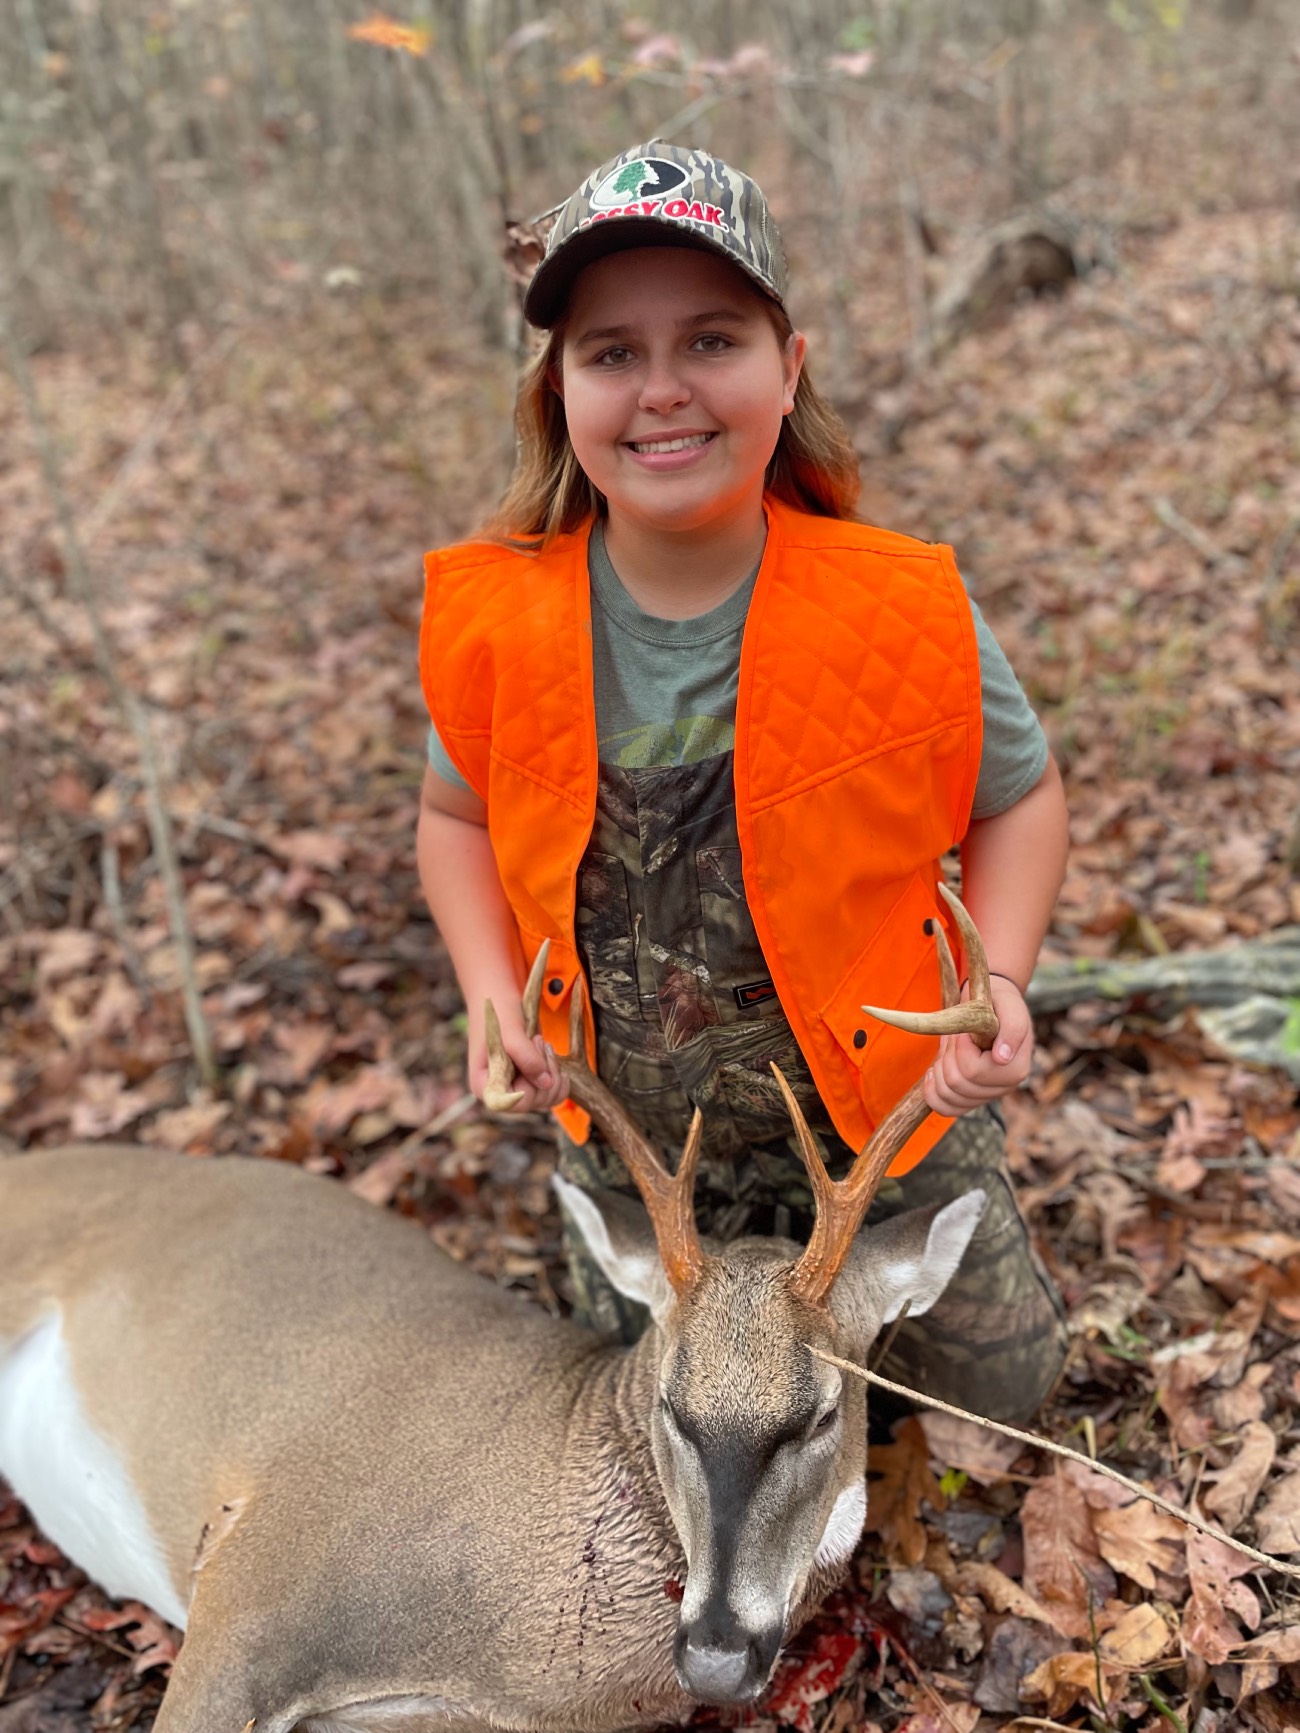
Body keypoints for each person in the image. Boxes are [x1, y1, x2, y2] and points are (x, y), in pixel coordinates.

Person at [416, 142, 1070, 1423]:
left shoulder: (898, 605)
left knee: (999, 1395)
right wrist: (490, 992)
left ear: (789, 364)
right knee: (632, 1417)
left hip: (883, 1121)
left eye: (711, 340)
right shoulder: (501, 622)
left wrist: (997, 982)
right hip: (642, 1147)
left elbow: (1020, 797)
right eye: (611, 353)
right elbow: (453, 819)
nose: (662, 390)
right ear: (558, 389)